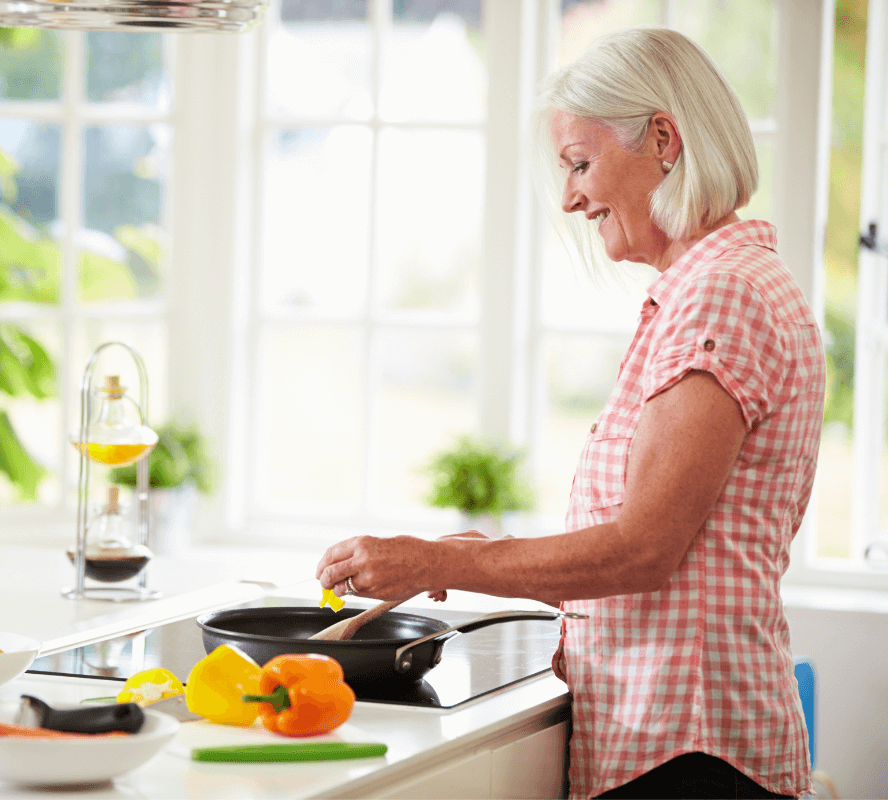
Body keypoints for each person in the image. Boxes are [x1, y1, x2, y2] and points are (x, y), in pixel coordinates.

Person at [315, 27, 822, 800]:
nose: (570, 197)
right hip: (682, 740)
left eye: (580, 165)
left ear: (663, 139)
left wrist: (440, 562)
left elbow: (646, 549)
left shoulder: (722, 293)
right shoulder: (724, 284)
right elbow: (683, 566)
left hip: (689, 748)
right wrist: (480, 554)